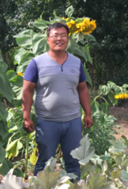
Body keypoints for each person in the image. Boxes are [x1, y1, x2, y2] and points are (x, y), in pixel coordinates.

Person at [21, 22, 93, 178]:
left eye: (63, 35)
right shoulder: (37, 63)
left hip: (72, 121)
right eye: (55, 35)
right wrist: (26, 116)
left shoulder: (76, 62)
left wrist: (88, 113)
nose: (59, 39)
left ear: (68, 39)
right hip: (47, 122)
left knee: (73, 162)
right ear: (48, 40)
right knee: (44, 163)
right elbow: (27, 90)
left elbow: (82, 89)